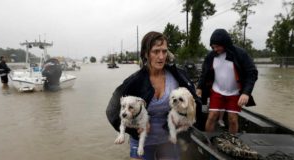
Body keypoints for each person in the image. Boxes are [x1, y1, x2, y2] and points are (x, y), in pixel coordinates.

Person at [106, 31, 202, 160]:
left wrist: (186, 120)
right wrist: (133, 130)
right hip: (142, 140)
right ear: (146, 53)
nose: (161, 57)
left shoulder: (177, 76)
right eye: (156, 51)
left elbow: (194, 103)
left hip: (168, 139)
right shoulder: (135, 81)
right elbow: (112, 111)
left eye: (164, 51)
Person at [196, 28, 258, 134]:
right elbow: (204, 73)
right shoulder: (211, 56)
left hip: (234, 93)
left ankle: (232, 141)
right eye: (213, 47)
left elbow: (252, 73)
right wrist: (200, 87)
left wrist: (246, 93)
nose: (215, 49)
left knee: (232, 119)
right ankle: (208, 139)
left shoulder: (240, 54)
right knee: (212, 116)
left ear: (225, 43)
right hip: (217, 91)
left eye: (217, 46)